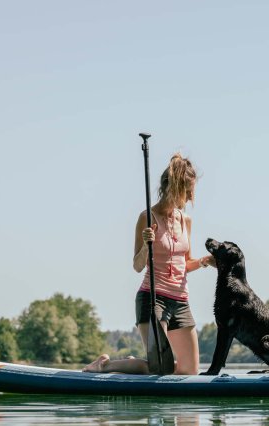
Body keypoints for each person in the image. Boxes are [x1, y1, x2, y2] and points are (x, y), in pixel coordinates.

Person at [83, 153, 214, 375]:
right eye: (188, 189)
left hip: (181, 302)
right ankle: (104, 365)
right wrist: (146, 246)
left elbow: (185, 263)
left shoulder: (186, 221)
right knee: (159, 370)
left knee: (189, 372)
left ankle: (132, 363)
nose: (192, 195)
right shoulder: (147, 217)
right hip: (153, 300)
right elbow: (137, 265)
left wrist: (203, 262)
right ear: (175, 187)